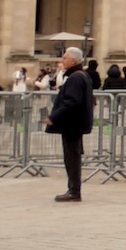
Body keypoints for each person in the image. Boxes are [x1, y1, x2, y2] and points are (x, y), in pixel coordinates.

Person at [46, 46, 94, 202]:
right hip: (76, 123)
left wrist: (54, 117)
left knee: (71, 158)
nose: (62, 60)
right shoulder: (82, 76)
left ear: (73, 60)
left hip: (72, 124)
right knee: (73, 156)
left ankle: (74, 190)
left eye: (65, 58)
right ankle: (73, 189)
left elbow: (71, 102)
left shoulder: (75, 78)